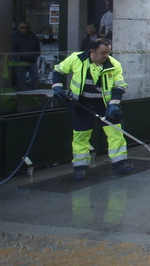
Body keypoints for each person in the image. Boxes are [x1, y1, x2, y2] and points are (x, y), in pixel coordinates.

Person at [51, 38, 132, 180]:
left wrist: (114, 105)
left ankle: (120, 164)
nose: (106, 56)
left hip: (105, 106)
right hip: (82, 105)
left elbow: (119, 86)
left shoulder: (114, 64)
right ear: (92, 51)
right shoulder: (76, 59)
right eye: (103, 53)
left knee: (115, 134)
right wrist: (57, 87)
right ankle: (80, 168)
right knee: (80, 136)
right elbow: (57, 71)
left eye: (108, 52)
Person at [10, 21, 41, 88]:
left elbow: (37, 47)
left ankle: (33, 91)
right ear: (19, 28)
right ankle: (22, 92)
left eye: (26, 27)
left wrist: (36, 55)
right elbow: (13, 49)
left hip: (32, 60)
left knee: (34, 77)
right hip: (20, 61)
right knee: (21, 78)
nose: (24, 29)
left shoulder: (33, 36)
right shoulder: (15, 38)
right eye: (22, 27)